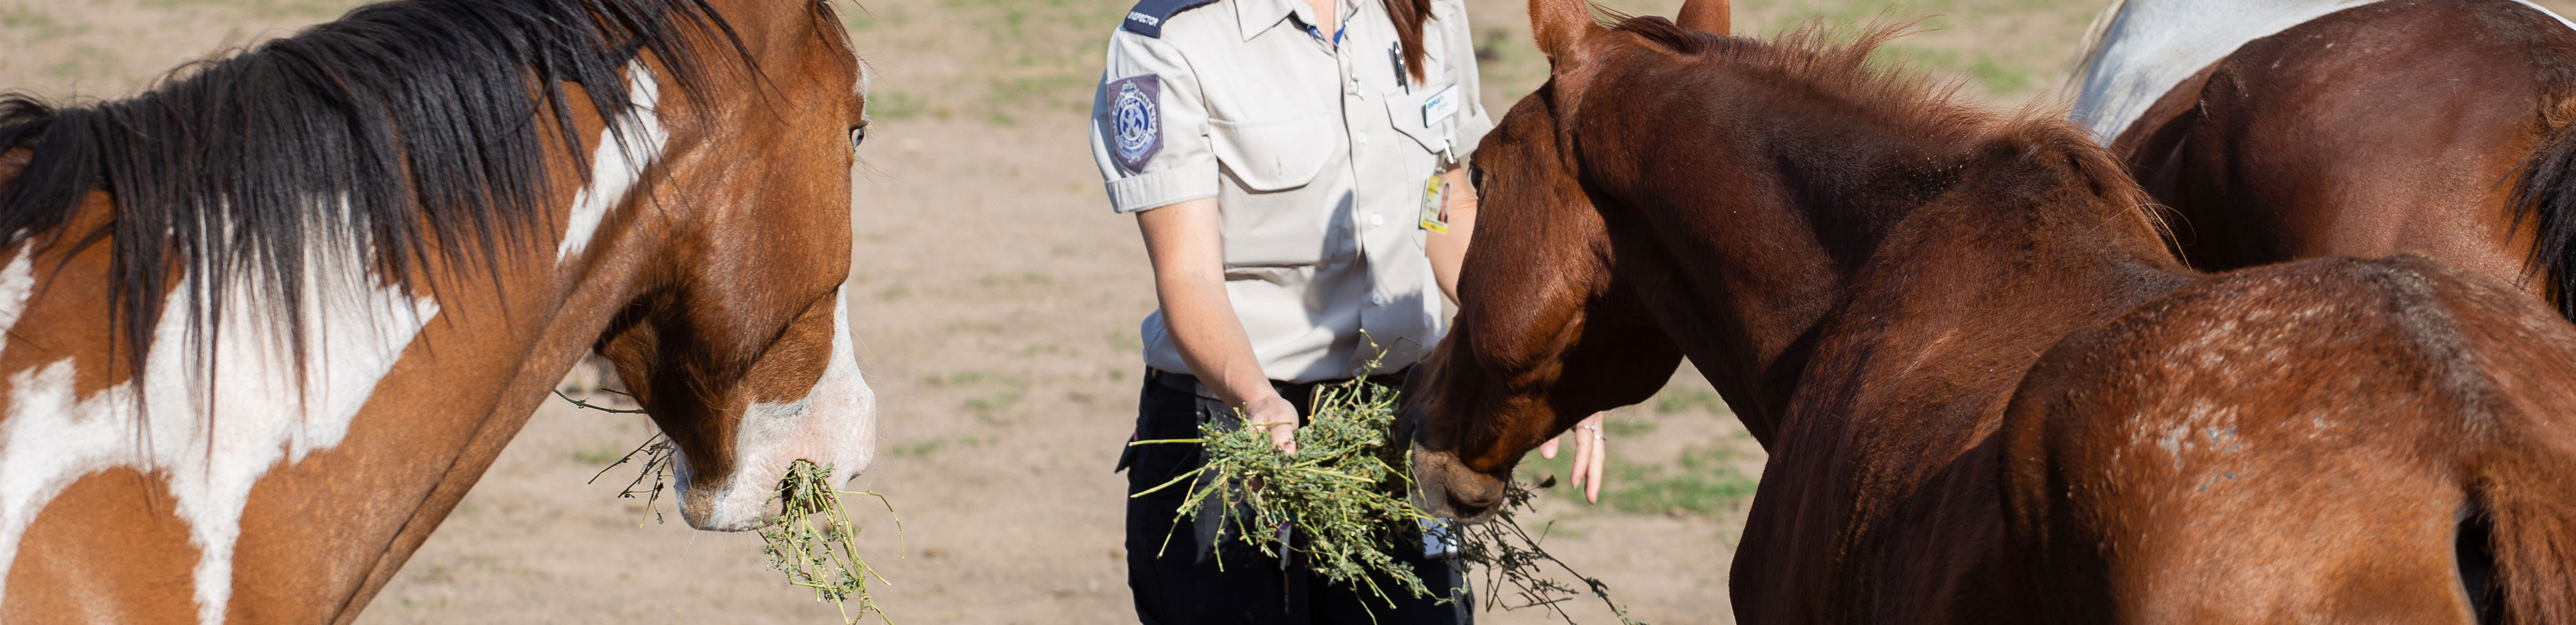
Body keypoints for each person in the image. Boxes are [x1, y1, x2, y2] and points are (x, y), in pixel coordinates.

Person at [1088, 0, 1611, 622]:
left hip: (1398, 424)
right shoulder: (1172, 39)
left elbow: (1441, 205)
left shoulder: (1429, 11)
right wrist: (1256, 398)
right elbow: (1189, 275)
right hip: (1233, 435)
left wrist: (1545, 356)